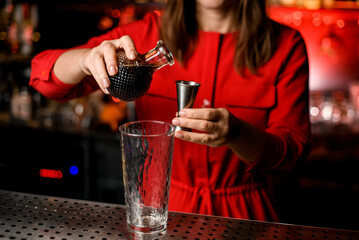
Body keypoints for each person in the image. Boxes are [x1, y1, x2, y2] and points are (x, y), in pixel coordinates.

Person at [29, 0, 311, 222]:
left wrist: (238, 134)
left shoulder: (287, 45)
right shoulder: (145, 34)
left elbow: (292, 156)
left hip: (246, 216)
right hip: (159, 208)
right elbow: (44, 80)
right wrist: (85, 59)